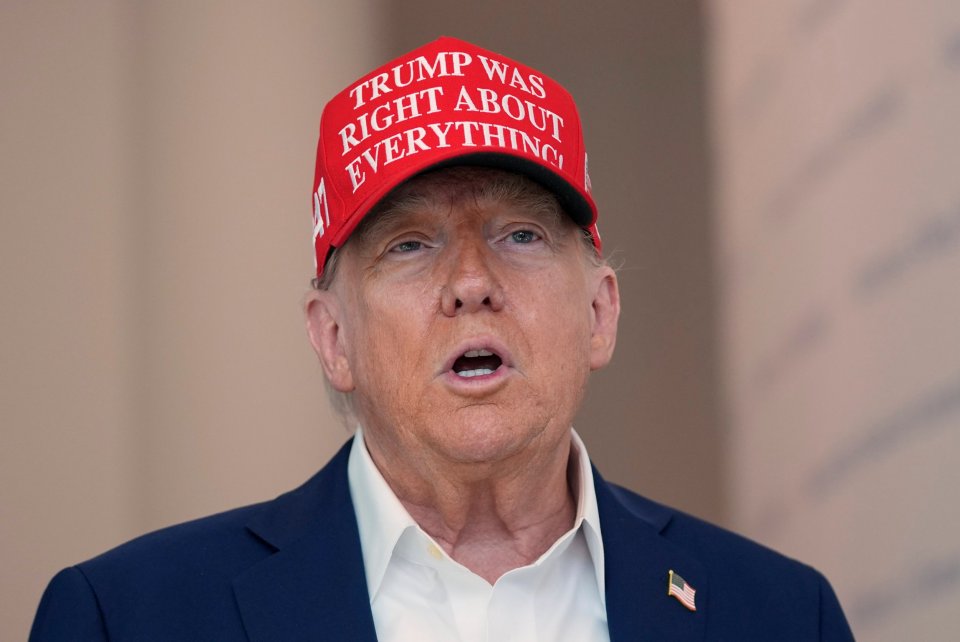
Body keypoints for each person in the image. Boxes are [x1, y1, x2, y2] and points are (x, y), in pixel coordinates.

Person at [30, 37, 854, 641]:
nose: (470, 280)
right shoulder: (129, 617)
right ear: (333, 339)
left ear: (600, 313)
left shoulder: (781, 615)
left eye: (521, 234)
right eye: (410, 244)